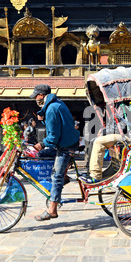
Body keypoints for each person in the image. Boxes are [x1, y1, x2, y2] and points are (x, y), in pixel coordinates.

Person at [30, 84, 80, 221]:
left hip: (66, 145)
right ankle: (64, 179)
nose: (35, 99)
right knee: (43, 156)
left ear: (41, 95)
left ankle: (52, 210)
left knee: (56, 176)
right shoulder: (56, 103)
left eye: (36, 96)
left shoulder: (51, 109)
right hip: (68, 140)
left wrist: (41, 144)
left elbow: (52, 137)